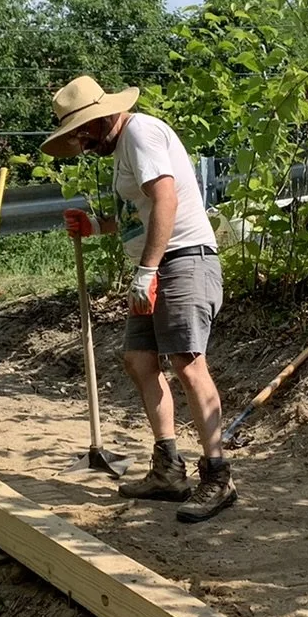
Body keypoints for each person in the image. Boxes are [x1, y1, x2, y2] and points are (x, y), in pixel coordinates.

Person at [42, 75, 236, 523]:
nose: (80, 144)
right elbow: (140, 215)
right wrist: (97, 226)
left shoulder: (141, 132)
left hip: (183, 260)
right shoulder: (124, 146)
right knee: (139, 360)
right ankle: (169, 470)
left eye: (81, 133)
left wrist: (148, 272)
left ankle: (219, 476)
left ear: (102, 119)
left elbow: (165, 199)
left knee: (188, 362)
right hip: (157, 264)